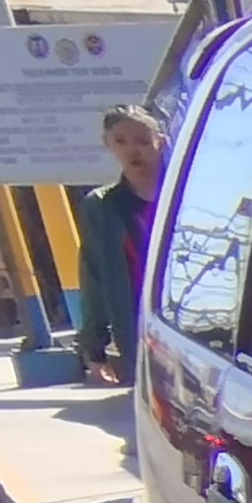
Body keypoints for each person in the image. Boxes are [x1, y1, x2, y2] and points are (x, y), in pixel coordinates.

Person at [71, 105, 164, 384]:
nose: (132, 151)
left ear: (161, 141)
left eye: (143, 141)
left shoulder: (189, 193)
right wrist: (94, 347)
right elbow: (95, 277)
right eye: (120, 142)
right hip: (141, 330)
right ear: (107, 144)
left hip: (199, 328)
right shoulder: (102, 206)